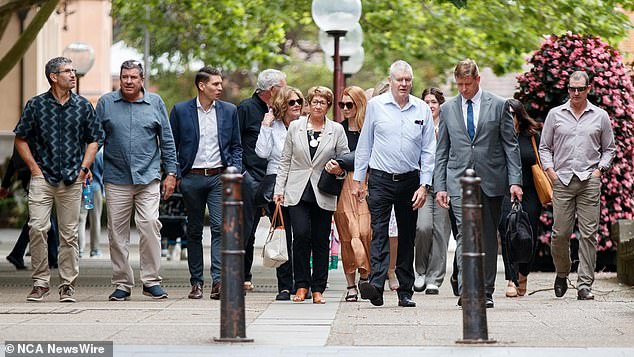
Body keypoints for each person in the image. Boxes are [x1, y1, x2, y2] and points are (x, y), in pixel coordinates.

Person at [434, 59, 522, 308]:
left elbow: (510, 145)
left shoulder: (498, 105)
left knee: (487, 236)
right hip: (458, 180)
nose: (463, 89)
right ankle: (468, 289)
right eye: (459, 84)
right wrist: (440, 185)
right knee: (465, 234)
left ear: (478, 80)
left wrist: (515, 181)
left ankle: (486, 290)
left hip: (491, 180)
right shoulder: (449, 108)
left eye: (468, 84)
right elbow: (442, 151)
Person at [13, 56, 101, 302]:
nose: (73, 75)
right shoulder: (36, 105)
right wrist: (34, 169)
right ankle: (41, 283)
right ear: (53, 77)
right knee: (37, 228)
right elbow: (20, 138)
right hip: (42, 177)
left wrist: (84, 169)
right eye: (68, 71)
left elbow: (95, 138)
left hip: (72, 179)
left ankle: (67, 285)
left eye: (74, 71)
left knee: (69, 235)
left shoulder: (83, 106)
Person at [353, 60, 436, 308]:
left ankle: (405, 290)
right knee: (379, 232)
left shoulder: (421, 109)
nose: (403, 84)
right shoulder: (376, 106)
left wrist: (424, 185)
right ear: (390, 81)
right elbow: (365, 144)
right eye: (399, 79)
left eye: (407, 80)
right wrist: (359, 179)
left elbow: (429, 150)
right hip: (380, 178)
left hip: (410, 180)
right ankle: (376, 285)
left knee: (407, 236)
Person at [97, 60, 177, 301]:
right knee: (116, 233)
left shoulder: (155, 103)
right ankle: (122, 283)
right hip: (116, 177)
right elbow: (95, 139)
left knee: (151, 224)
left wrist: (171, 173)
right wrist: (86, 166)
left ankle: (151, 280)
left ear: (142, 80)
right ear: (119, 79)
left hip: (148, 177)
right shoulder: (106, 103)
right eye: (124, 77)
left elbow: (168, 140)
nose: (128, 81)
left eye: (133, 77)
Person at [539, 70, 616, 300]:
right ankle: (562, 273)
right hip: (561, 180)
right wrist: (550, 172)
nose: (575, 93)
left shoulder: (600, 116)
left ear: (588, 89)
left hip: (588, 181)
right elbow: (544, 147)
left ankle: (585, 285)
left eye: (580, 89)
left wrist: (598, 171)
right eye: (572, 88)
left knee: (589, 234)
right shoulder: (555, 115)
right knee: (560, 234)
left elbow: (609, 149)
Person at [169, 66, 242, 300]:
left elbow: (236, 146)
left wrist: (234, 171)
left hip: (219, 178)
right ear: (202, 86)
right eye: (215, 84)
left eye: (220, 84)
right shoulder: (181, 111)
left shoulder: (229, 111)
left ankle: (218, 281)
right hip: (191, 177)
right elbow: (172, 145)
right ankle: (196, 282)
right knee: (193, 230)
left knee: (220, 228)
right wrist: (177, 174)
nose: (220, 88)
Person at [274, 86, 349, 304]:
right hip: (296, 190)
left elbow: (345, 159)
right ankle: (301, 286)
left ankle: (318, 288)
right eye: (314, 102)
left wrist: (340, 170)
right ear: (309, 104)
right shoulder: (296, 127)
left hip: (323, 190)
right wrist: (279, 190)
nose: (317, 106)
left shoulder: (336, 130)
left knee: (320, 240)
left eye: (322, 103)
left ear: (328, 106)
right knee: (300, 236)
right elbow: (285, 160)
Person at [238, 69, 287, 291]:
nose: (286, 91)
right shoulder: (246, 109)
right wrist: (242, 173)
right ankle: (242, 275)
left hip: (275, 176)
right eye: (283, 87)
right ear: (272, 89)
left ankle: (287, 282)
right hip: (251, 176)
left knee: (282, 227)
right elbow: (234, 142)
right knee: (247, 230)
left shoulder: (280, 110)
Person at [255, 86, 304, 300]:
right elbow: (262, 153)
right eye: (292, 102)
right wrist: (265, 126)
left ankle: (303, 283)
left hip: (301, 183)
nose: (297, 106)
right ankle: (285, 285)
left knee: (302, 234)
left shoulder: (306, 126)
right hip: (277, 184)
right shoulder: (272, 126)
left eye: (299, 102)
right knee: (283, 233)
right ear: (283, 105)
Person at [496, 99, 544, 297]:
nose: (509, 119)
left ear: (519, 115)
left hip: (530, 193)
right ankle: (511, 278)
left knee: (528, 236)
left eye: (512, 115)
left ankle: (523, 274)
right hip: (506, 191)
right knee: (507, 231)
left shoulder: (532, 136)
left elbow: (541, 160)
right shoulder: (497, 137)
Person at [333, 86, 372, 302]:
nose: (345, 109)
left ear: (359, 104)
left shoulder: (369, 129)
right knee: (348, 233)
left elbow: (371, 155)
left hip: (366, 183)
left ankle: (365, 274)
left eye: (350, 104)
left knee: (365, 231)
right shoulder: (338, 129)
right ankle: (351, 285)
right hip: (342, 186)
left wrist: (344, 160)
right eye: (342, 105)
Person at [413, 87, 451, 295]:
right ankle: (420, 271)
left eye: (434, 102)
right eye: (426, 102)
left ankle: (434, 278)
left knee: (440, 232)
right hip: (423, 186)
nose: (430, 106)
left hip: (444, 185)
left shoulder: (447, 125)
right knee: (423, 227)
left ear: (440, 105)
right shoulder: (418, 125)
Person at [2, 148, 59, 270]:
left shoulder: (23, 133)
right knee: (42, 218)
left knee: (39, 218)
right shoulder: (34, 130)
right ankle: (52, 257)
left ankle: (19, 254)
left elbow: (14, 160)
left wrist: (5, 184)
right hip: (37, 177)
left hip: (31, 176)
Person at [370, 80, 399, 292]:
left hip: (401, 179)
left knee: (395, 231)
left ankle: (391, 270)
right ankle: (376, 275)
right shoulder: (374, 114)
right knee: (377, 230)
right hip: (376, 178)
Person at [78, 147, 104, 258]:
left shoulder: (83, 151)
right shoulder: (100, 153)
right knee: (95, 220)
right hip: (96, 188)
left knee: (81, 219)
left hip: (85, 188)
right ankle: (95, 250)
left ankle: (80, 249)